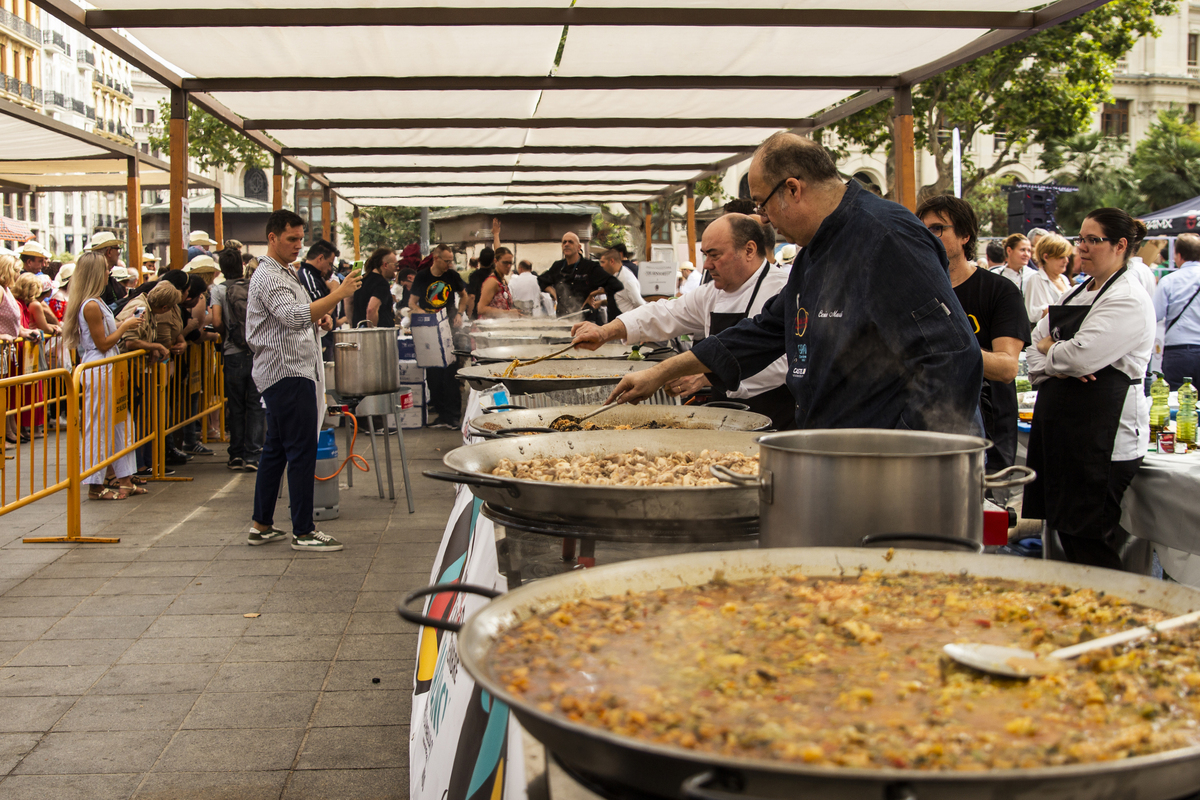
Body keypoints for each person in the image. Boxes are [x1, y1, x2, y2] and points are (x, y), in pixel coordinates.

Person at [603, 132, 983, 434]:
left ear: (793, 189)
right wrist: (659, 372)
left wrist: (903, 454)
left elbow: (951, 357)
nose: (763, 219)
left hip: (884, 463)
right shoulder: (813, 252)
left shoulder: (887, 237)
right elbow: (765, 331)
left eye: (761, 204)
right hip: (829, 447)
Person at [1022, 208, 1156, 571]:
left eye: (1092, 240)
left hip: (1103, 437)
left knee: (1090, 538)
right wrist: (1053, 356)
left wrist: (1054, 349)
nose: (1081, 247)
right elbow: (1032, 348)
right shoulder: (1080, 290)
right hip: (1067, 429)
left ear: (1120, 245)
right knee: (1067, 531)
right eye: (1079, 238)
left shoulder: (1127, 296)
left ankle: (1115, 616)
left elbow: (1079, 358)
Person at [575, 215, 795, 429]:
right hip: (724, 417)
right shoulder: (710, 293)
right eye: (704, 255)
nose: (706, 264)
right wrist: (605, 332)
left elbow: (783, 362)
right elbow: (664, 313)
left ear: (749, 250)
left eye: (714, 255)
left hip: (774, 416)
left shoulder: (784, 289)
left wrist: (706, 376)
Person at [245, 209, 362, 552]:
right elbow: (294, 316)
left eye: (300, 239)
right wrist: (338, 295)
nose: (298, 245)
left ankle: (261, 524)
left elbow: (298, 315)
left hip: (290, 370)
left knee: (277, 451)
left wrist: (320, 317)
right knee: (300, 451)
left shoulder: (284, 272)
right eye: (291, 239)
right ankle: (304, 530)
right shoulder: (269, 275)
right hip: (287, 373)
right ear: (272, 238)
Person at [917, 195, 1029, 483]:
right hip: (922, 430)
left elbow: (1007, 368)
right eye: (921, 228)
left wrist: (945, 347)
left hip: (986, 435)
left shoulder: (999, 291)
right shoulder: (913, 292)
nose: (928, 236)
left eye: (937, 228)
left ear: (965, 235)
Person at [62, 252, 146, 501]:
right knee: (99, 427)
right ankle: (95, 485)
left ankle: (124, 480)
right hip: (100, 367)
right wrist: (124, 327)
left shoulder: (94, 301)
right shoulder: (90, 304)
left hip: (108, 366)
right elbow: (101, 342)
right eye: (105, 268)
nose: (109, 272)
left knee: (121, 423)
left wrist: (123, 326)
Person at [210, 248, 263, 471]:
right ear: (241, 266)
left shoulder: (219, 290)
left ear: (221, 268)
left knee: (235, 405)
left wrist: (226, 335)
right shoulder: (251, 286)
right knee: (255, 405)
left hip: (232, 353)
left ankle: (235, 455)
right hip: (254, 352)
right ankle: (252, 455)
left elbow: (216, 320)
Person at [409, 244, 467, 428]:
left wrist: (459, 313)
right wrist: (425, 315)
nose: (449, 264)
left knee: (451, 374)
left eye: (451, 261)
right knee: (433, 374)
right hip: (429, 332)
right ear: (436, 258)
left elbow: (464, 296)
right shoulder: (423, 276)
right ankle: (441, 413)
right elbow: (412, 303)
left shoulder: (452, 276)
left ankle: (453, 416)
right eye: (447, 261)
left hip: (449, 329)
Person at [538, 232, 623, 322]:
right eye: (564, 242)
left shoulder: (590, 267)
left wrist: (593, 294)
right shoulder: (557, 266)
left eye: (570, 242)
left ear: (579, 247)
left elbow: (616, 285)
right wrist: (553, 292)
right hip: (562, 320)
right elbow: (541, 280)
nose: (566, 244)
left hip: (586, 320)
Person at [1154, 232, 1200, 389]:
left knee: (1178, 404)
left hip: (1178, 351)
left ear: (1179, 255)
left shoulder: (1168, 281)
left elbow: (1155, 315)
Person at [1025, 233, 1074, 325]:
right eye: (1061, 257)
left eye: (1067, 256)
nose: (1066, 261)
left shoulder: (1064, 279)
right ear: (1046, 257)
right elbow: (1034, 314)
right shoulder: (1036, 279)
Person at [353, 247, 398, 328]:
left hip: (358, 331)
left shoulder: (362, 279)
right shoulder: (381, 284)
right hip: (378, 334)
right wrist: (373, 332)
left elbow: (348, 301)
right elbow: (371, 309)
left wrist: (352, 326)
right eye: (395, 265)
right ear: (385, 265)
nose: (397, 268)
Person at [596, 248, 646, 315]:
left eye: (603, 262)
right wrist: (601, 302)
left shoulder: (627, 280)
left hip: (627, 321)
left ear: (612, 261)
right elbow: (619, 300)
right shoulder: (614, 276)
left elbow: (640, 305)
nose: (601, 266)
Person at [477, 247, 520, 319]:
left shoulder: (503, 280)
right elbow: (481, 308)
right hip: (488, 326)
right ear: (496, 261)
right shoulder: (492, 282)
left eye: (510, 263)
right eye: (505, 263)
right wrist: (508, 313)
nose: (508, 266)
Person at [89, 232, 128, 306]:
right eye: (117, 249)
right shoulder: (99, 279)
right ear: (109, 251)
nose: (118, 253)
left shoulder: (92, 275)